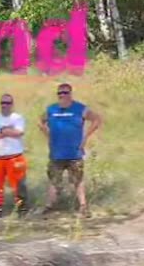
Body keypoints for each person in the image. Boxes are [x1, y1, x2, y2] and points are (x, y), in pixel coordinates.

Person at [39, 82, 102, 216]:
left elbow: (96, 119)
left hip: (74, 151)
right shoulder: (52, 109)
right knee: (54, 181)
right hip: (56, 152)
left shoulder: (80, 108)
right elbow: (40, 121)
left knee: (77, 180)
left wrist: (85, 137)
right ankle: (49, 207)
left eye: (65, 93)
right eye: (59, 93)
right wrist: (48, 135)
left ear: (70, 94)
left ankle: (83, 206)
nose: (62, 95)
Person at [0, 93, 28, 218]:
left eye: (7, 103)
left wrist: (1, 133)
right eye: (2, 103)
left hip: (14, 156)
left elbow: (19, 133)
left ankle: (21, 209)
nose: (4, 105)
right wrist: (4, 132)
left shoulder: (17, 118)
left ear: (12, 104)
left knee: (19, 185)